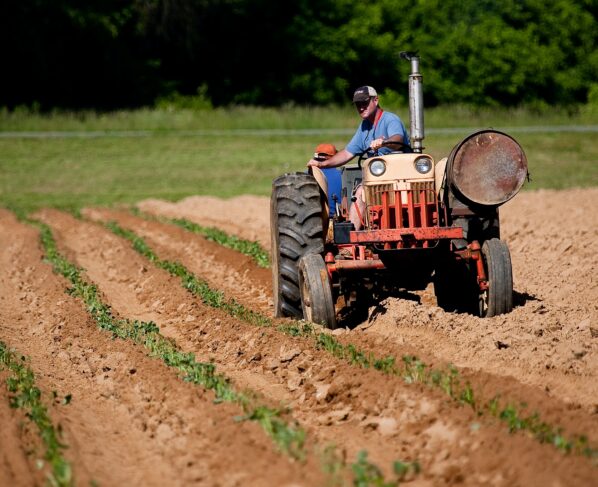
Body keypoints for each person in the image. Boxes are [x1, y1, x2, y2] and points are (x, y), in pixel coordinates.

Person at [307, 86, 410, 229]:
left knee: (362, 191)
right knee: (360, 193)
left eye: (365, 103)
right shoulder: (364, 127)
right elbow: (347, 153)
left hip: (402, 176)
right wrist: (322, 164)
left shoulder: (390, 120)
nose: (361, 107)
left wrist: (384, 142)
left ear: (376, 100)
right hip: (378, 179)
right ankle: (351, 241)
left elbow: (398, 140)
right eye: (358, 105)